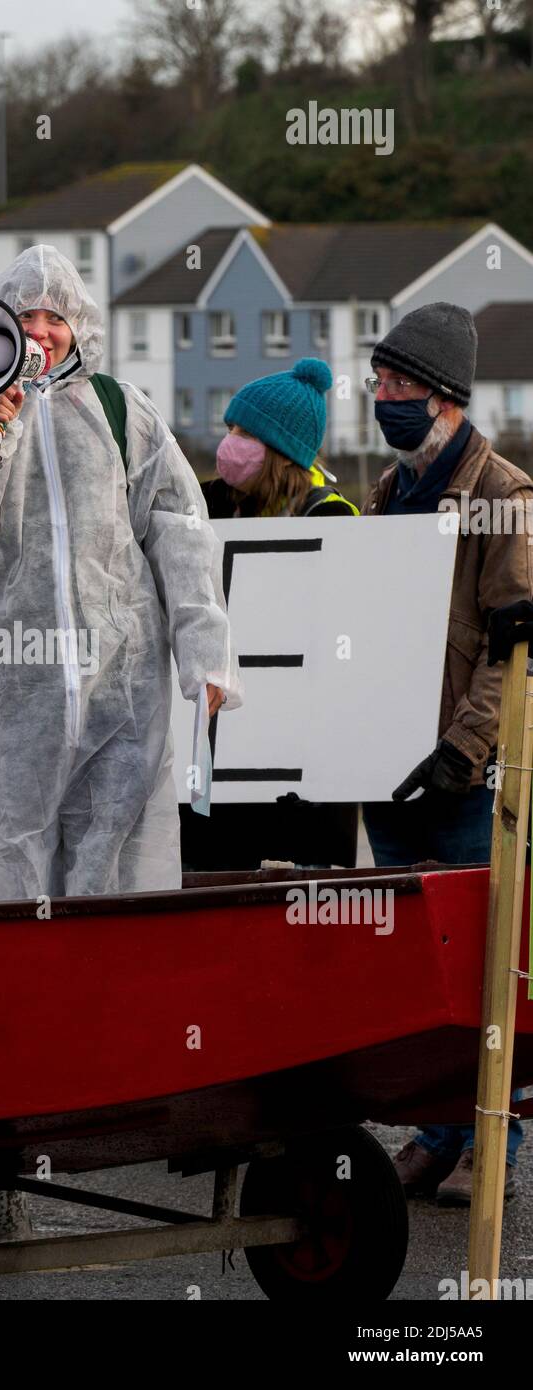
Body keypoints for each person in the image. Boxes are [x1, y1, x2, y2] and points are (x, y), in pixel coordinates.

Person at [0, 244, 241, 904]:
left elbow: (180, 532)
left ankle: (116, 990)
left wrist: (205, 655)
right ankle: (20, 988)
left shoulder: (121, 409)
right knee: (8, 844)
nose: (39, 333)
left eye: (53, 319)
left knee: (117, 846)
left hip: (121, 678)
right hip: (8, 684)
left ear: (78, 325)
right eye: (23, 317)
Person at [359, 302, 533, 1202]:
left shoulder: (504, 497)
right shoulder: (389, 492)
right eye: (378, 381)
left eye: (394, 384)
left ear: (442, 396)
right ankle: (434, 1133)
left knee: (477, 968)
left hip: (462, 775)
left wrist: (465, 750)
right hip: (387, 765)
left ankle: (487, 1145)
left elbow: (514, 647)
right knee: (414, 971)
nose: (379, 397)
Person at [182, 358, 359, 873]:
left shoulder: (331, 516)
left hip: (300, 760)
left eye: (245, 433)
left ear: (281, 450)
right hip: (220, 750)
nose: (230, 442)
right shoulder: (212, 503)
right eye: (230, 429)